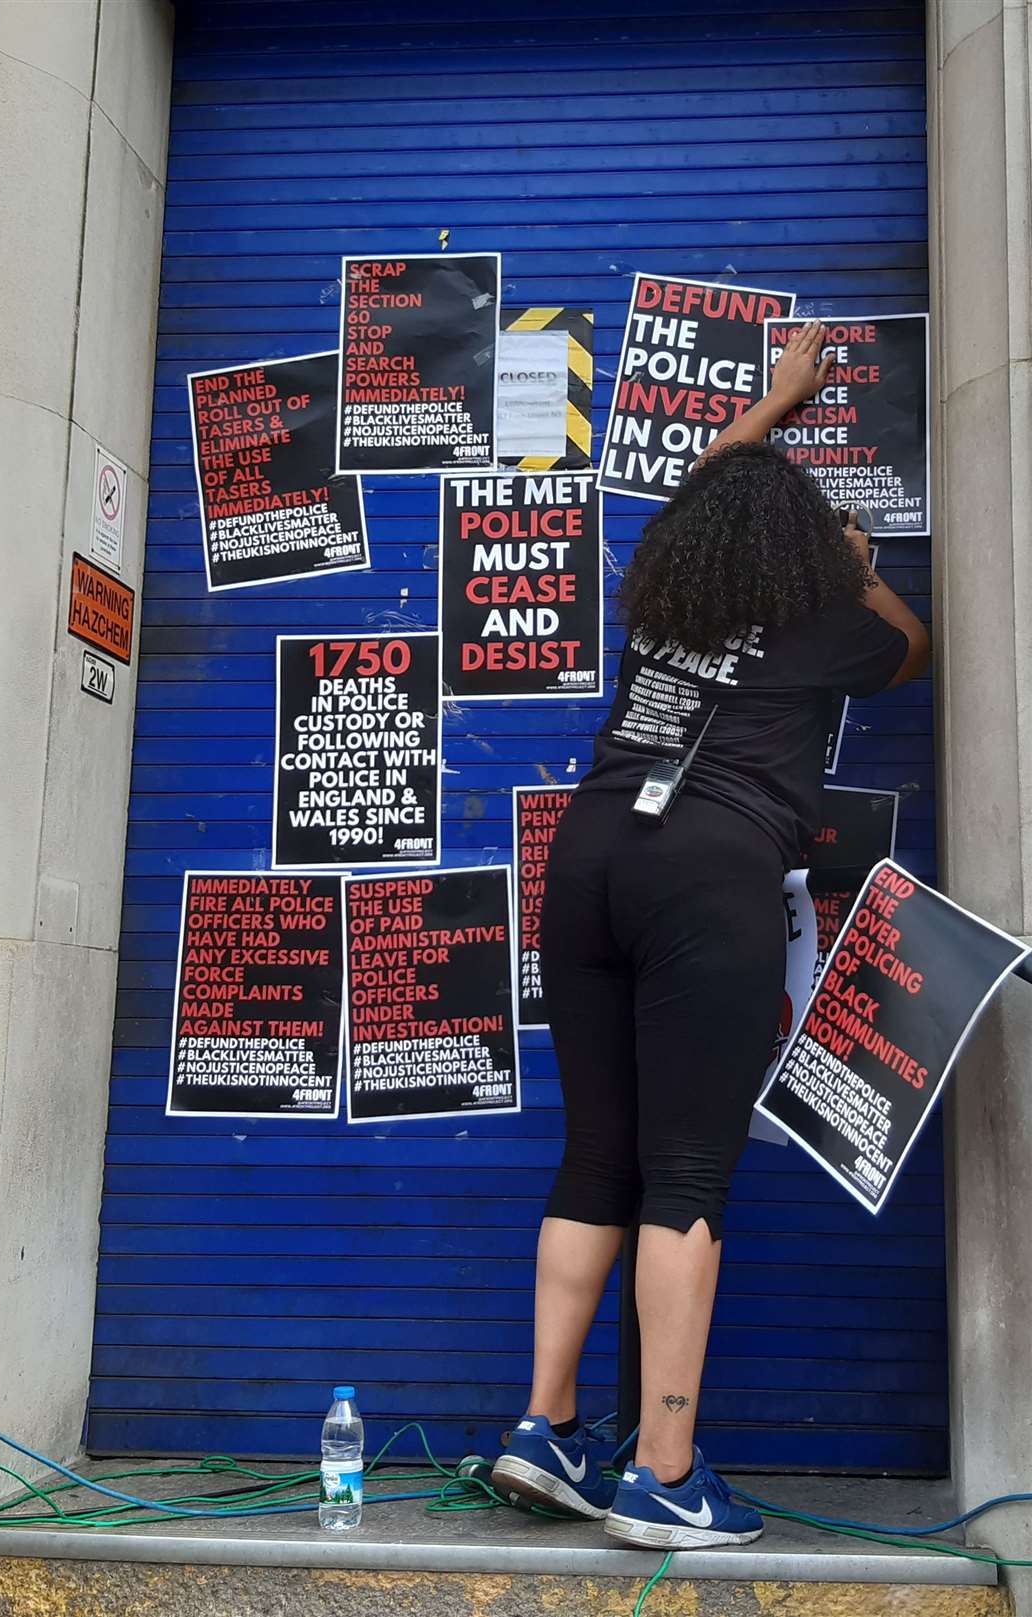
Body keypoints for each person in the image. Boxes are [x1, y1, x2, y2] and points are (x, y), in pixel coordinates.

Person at [491, 322, 930, 1548]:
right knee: (687, 1177)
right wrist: (853, 562)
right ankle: (666, 1473)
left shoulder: (667, 594)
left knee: (596, 1160)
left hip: (586, 862)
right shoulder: (827, 623)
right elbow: (914, 650)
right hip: (712, 870)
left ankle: (546, 1432)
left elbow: (709, 481)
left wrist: (778, 398)